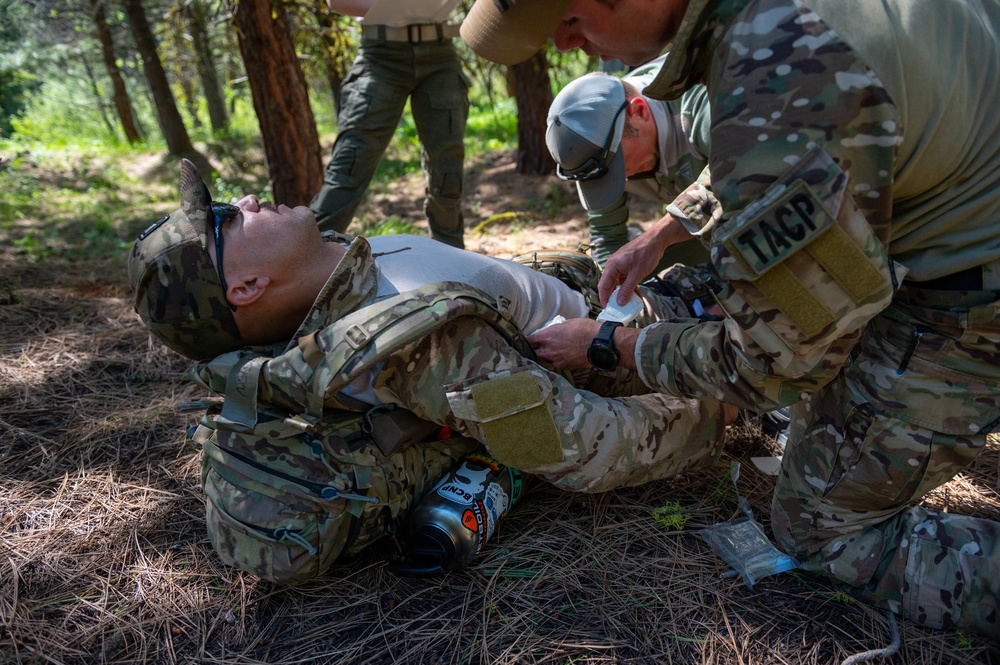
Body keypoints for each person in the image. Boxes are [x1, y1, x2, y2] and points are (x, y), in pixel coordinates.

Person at [461, 0, 1000, 636]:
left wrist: (613, 345)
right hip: (957, 232)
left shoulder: (774, 65)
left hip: (968, 294)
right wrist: (663, 233)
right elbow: (795, 137)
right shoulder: (760, 32)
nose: (567, 43)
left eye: (572, 21)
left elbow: (778, 366)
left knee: (819, 529)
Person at [129, 159, 735, 496]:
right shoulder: (411, 344)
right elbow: (585, 447)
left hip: (619, 306)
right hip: (642, 345)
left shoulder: (333, 272)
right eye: (228, 220)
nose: (249, 201)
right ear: (246, 289)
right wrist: (724, 406)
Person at [310, 0, 469, 248]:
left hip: (440, 54)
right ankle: (302, 254)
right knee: (350, 165)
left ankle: (454, 263)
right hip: (381, 57)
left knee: (447, 169)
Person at [547, 55, 711, 273]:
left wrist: (659, 238)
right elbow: (607, 235)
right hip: (707, 222)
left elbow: (737, 180)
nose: (621, 178)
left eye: (618, 166)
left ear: (639, 112)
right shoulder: (598, 144)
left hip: (759, 200)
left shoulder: (701, 102)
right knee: (632, 272)